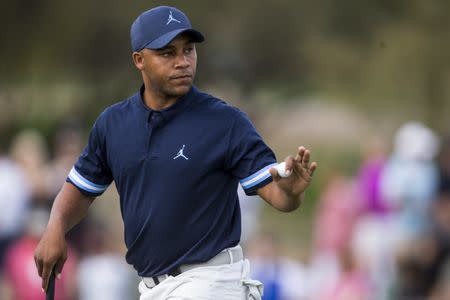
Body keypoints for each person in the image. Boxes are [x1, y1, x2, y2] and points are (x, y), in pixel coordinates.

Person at [34, 6, 317, 300]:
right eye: (168, 53)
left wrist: (293, 192)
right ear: (139, 60)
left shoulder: (225, 122)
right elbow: (81, 188)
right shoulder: (112, 124)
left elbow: (278, 195)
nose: (183, 62)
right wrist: (55, 227)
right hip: (151, 287)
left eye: (189, 50)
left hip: (210, 282)